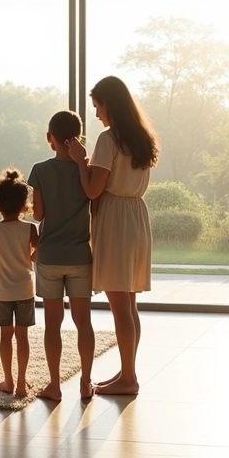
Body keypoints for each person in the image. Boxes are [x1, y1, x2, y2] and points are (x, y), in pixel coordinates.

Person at [67, 76, 158, 397]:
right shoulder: (142, 138)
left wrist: (80, 162)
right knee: (129, 304)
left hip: (116, 222)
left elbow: (93, 190)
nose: (96, 114)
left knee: (120, 305)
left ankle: (129, 378)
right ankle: (127, 372)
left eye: (97, 107)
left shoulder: (109, 140)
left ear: (109, 104)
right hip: (135, 218)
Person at [29, 111, 96, 401]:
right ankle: (85, 382)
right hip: (80, 255)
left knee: (52, 324)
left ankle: (54, 385)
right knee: (84, 322)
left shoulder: (40, 170)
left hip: (50, 256)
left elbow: (39, 214)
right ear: (78, 138)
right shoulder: (88, 170)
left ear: (50, 139)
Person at [0, 169, 38, 397]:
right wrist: (28, 258)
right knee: (22, 336)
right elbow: (39, 254)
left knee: (5, 336)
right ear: (24, 206)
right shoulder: (30, 229)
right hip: (25, 289)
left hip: (2, 292)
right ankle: (21, 384)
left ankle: (7, 381)